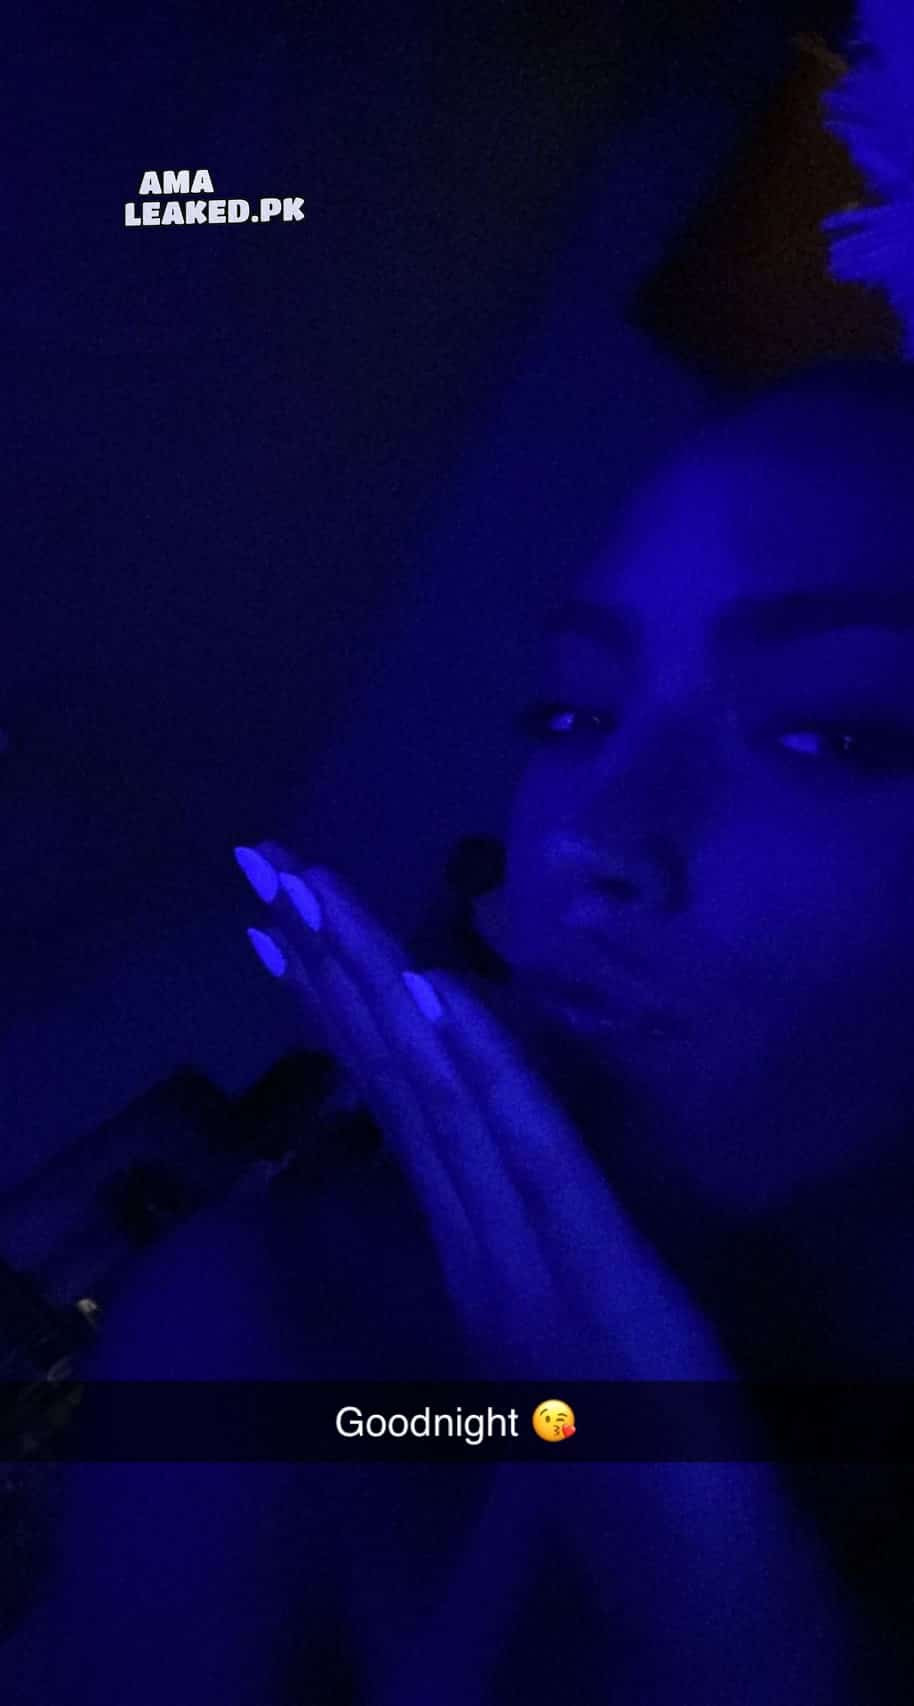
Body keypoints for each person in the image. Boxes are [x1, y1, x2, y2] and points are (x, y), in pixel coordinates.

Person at [7, 353, 914, 1702]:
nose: (588, 839)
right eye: (572, 712)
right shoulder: (282, 1331)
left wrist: (737, 1631)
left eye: (832, 732)